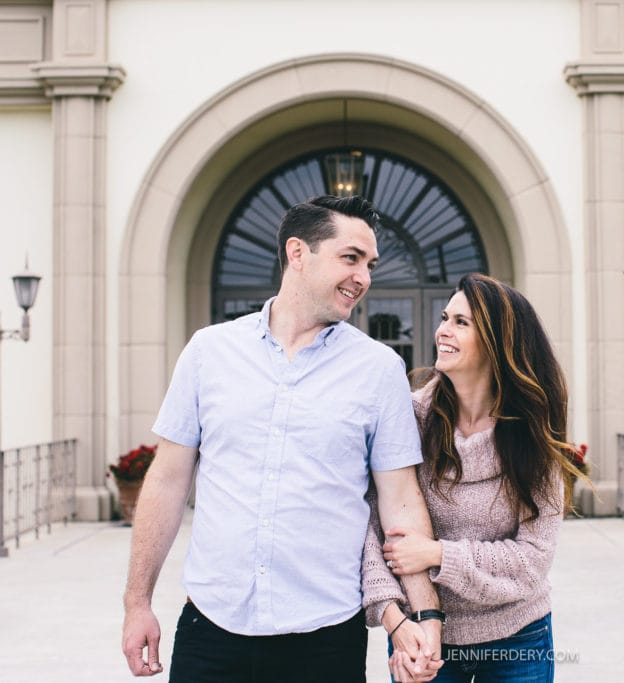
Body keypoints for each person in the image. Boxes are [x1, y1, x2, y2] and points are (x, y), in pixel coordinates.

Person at [120, 195, 443, 682]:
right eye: (350, 258)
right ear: (298, 253)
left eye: (369, 264)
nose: (364, 278)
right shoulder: (209, 352)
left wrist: (424, 614)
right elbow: (166, 481)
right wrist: (137, 602)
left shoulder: (379, 370)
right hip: (211, 626)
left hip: (325, 638)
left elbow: (400, 501)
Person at [362, 273, 584, 683]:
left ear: (498, 342)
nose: (442, 330)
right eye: (445, 317)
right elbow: (372, 532)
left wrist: (437, 554)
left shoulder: (533, 438)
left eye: (461, 322)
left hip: (518, 637)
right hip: (423, 639)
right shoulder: (409, 420)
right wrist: (395, 622)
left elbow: (532, 561)